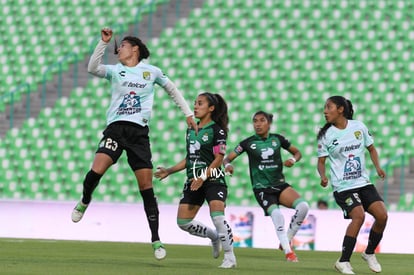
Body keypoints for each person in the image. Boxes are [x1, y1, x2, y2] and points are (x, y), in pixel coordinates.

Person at [71, 27, 197, 260]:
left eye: (123, 47)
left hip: (139, 134)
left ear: (135, 48)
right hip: (116, 128)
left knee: (146, 188)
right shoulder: (115, 71)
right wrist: (103, 43)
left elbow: (172, 89)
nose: (118, 50)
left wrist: (188, 113)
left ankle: (156, 240)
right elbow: (92, 68)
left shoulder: (151, 71)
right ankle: (85, 200)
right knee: (96, 170)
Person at [154, 92, 237, 269]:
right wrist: (169, 170)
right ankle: (214, 237)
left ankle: (230, 257)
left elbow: (218, 159)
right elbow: (189, 158)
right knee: (183, 223)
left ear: (211, 108)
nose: (195, 107)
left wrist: (203, 177)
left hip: (213, 178)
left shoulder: (217, 130)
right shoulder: (191, 129)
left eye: (200, 104)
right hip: (194, 179)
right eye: (195, 103)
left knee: (217, 215)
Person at [223, 110, 309, 262]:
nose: (258, 124)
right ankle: (289, 253)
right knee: (277, 215)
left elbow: (297, 153)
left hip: (279, 185)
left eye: (262, 120)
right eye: (255, 121)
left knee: (303, 207)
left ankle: (286, 239)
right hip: (262, 188)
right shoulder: (247, 143)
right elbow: (227, 158)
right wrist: (228, 165)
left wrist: (293, 160)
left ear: (269, 124)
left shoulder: (278, 139)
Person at [317, 95, 388, 274]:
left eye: (329, 107)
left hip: (363, 182)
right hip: (343, 187)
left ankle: (369, 253)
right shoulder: (325, 135)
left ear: (340, 109)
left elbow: (371, 149)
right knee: (359, 216)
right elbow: (321, 161)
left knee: (382, 215)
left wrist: (378, 167)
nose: (325, 111)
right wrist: (323, 176)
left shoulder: (359, 127)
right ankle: (343, 261)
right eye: (325, 108)